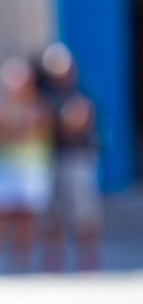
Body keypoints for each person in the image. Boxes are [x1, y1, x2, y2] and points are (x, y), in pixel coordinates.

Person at [37, 43, 102, 271]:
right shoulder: (43, 94)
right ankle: (54, 261)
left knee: (85, 213)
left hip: (78, 159)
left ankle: (89, 259)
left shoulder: (82, 91)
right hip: (51, 158)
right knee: (54, 214)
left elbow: (82, 121)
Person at [0, 56, 53, 273]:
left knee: (27, 217)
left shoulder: (40, 105)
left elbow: (40, 131)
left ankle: (21, 262)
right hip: (6, 167)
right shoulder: (1, 106)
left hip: (30, 167)